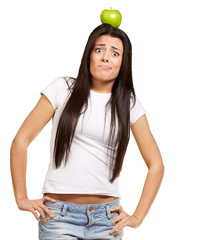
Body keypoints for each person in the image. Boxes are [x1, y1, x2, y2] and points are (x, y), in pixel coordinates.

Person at [10, 24, 164, 240]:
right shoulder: (62, 89)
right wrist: (21, 198)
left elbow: (156, 164)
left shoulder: (128, 103)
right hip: (59, 218)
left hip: (106, 220)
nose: (106, 57)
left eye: (115, 53)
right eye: (99, 49)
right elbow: (21, 141)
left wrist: (137, 217)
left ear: (123, 62)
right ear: (89, 55)